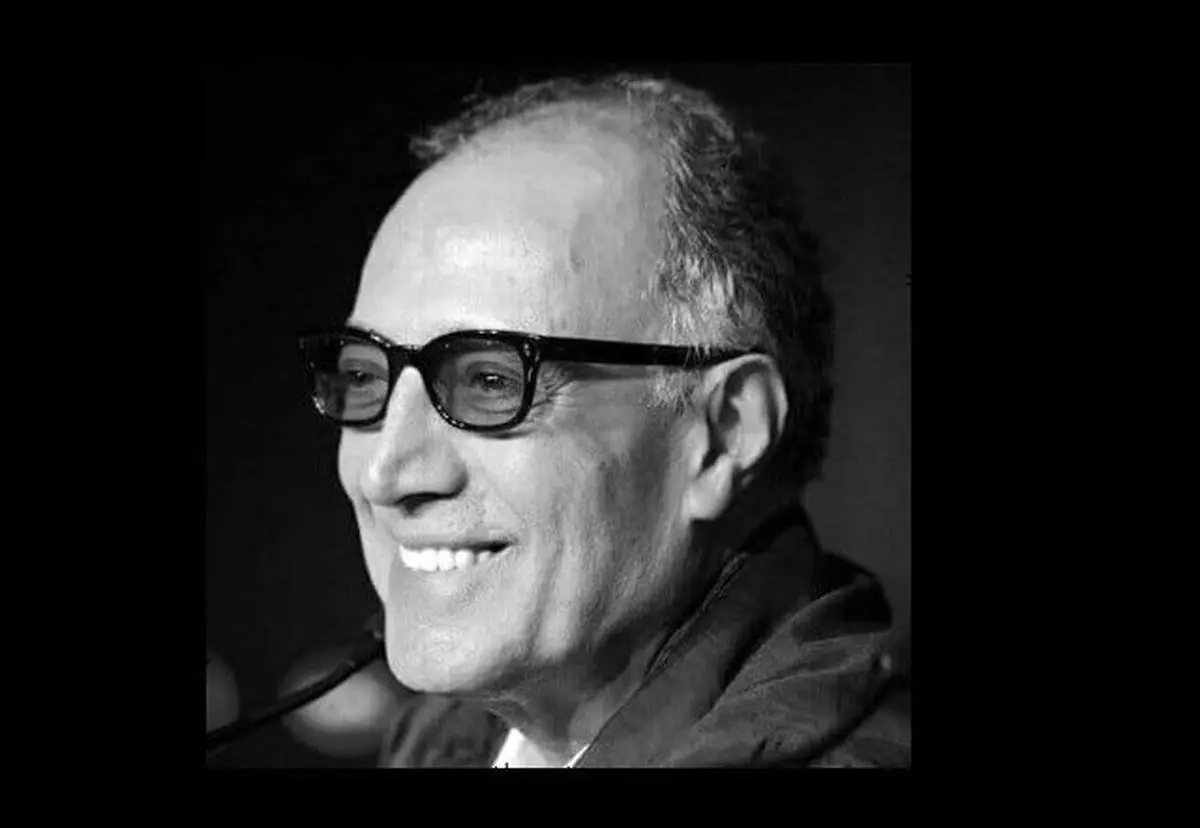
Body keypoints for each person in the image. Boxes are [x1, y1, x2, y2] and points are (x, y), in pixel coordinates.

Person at [297, 70, 911, 768]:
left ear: (724, 433)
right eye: (365, 377)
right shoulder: (447, 741)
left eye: (491, 381)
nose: (384, 474)